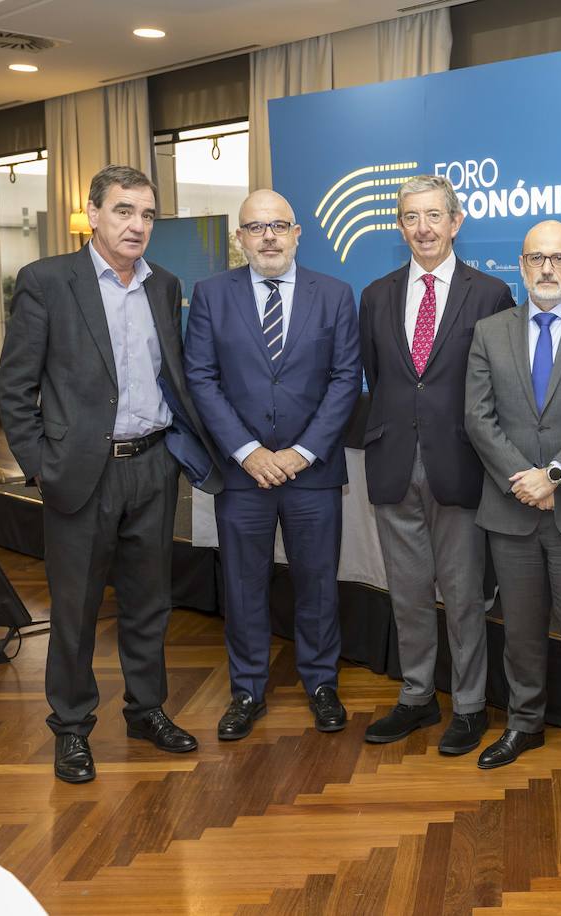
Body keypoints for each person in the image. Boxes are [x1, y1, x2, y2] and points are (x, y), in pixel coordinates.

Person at [0, 164, 223, 783]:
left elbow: (171, 378)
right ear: (93, 214)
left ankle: (146, 710)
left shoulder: (165, 284)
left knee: (150, 603)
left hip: (152, 468)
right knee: (74, 610)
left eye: (147, 214)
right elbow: (16, 390)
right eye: (124, 210)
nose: (137, 225)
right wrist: (42, 469)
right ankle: (71, 727)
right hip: (79, 473)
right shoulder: (47, 282)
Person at [184, 189, 361, 741]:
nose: (268, 237)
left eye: (279, 226)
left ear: (297, 233)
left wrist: (301, 453)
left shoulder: (334, 294)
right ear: (240, 238)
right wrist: (249, 452)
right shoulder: (210, 295)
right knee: (243, 586)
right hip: (242, 475)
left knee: (317, 585)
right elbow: (201, 380)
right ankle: (247, 690)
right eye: (256, 227)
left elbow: (344, 379)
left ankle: (321, 683)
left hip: (313, 473)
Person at [358, 175, 516, 755]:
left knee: (464, 593)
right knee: (407, 592)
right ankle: (418, 696)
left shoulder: (491, 293)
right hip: (394, 462)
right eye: (409, 217)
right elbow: (379, 376)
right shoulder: (375, 294)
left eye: (433, 216)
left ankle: (470, 705)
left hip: (462, 466)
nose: (422, 227)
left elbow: (499, 385)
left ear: (456, 221)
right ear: (400, 225)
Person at [464, 220, 561, 777]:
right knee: (521, 632)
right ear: (521, 265)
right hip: (511, 510)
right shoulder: (488, 331)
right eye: (536, 259)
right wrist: (524, 480)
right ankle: (523, 724)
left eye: (559, 259)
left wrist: (553, 475)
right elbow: (478, 419)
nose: (547, 268)